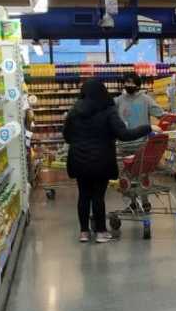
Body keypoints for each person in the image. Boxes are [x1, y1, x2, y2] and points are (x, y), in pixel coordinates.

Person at [63, 79, 156, 243]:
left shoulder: (74, 111)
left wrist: (81, 141)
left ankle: (84, 232)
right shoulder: (108, 110)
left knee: (83, 195)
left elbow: (67, 137)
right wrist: (148, 127)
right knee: (98, 196)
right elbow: (124, 135)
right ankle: (101, 232)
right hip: (101, 159)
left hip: (79, 159)